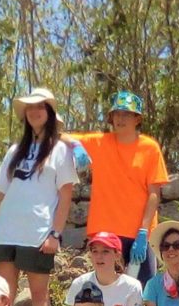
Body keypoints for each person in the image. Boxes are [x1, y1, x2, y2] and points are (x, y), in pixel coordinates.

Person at [0, 87, 76, 306]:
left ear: (49, 112)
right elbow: (1, 195)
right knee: (4, 294)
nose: (35, 112)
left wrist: (55, 234)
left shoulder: (61, 150)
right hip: (6, 232)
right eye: (30, 108)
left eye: (40, 107)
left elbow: (66, 196)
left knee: (38, 294)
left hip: (38, 232)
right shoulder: (15, 150)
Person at [65, 91, 169, 283]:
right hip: (106, 234)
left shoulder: (150, 148)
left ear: (137, 119)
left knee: (143, 290)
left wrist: (143, 232)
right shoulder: (99, 143)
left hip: (140, 235)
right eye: (117, 113)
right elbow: (58, 136)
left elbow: (154, 194)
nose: (121, 118)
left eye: (127, 114)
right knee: (106, 289)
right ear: (111, 117)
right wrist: (75, 146)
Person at [64, 232, 143, 306]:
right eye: (95, 251)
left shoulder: (132, 286)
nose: (99, 257)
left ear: (117, 255)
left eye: (105, 252)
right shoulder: (79, 283)